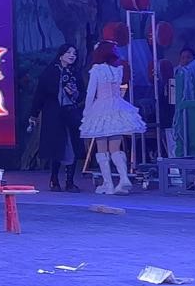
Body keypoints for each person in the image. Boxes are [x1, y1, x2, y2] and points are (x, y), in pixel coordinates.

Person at [79, 40, 147, 195]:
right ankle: (123, 178)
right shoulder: (118, 70)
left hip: (101, 108)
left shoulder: (97, 70)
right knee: (115, 147)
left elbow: (91, 93)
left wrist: (87, 112)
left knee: (102, 146)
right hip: (117, 107)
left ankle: (108, 184)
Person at [28, 44, 85, 192]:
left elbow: (82, 94)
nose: (72, 56)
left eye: (74, 53)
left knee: (72, 146)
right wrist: (34, 114)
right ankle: (54, 179)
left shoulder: (76, 73)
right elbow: (40, 95)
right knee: (57, 147)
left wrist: (75, 94)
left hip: (71, 114)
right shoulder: (50, 72)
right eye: (68, 53)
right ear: (61, 55)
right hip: (54, 114)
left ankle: (70, 181)